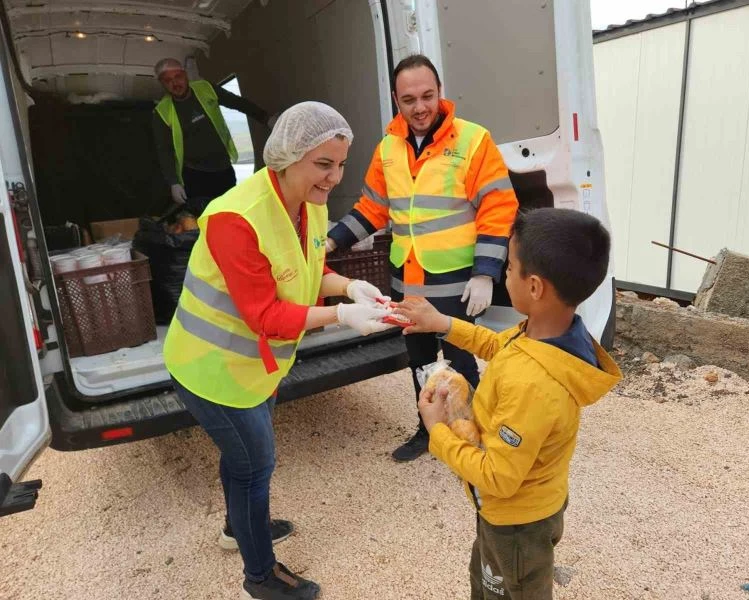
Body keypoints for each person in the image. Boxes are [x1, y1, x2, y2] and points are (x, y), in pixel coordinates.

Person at [162, 101, 393, 600]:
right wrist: (340, 316)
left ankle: (236, 528)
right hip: (211, 369)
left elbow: (307, 273)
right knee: (254, 465)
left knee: (241, 458)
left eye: (340, 164)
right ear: (286, 157)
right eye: (323, 164)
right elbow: (265, 316)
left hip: (254, 366)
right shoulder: (234, 218)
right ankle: (261, 577)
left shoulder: (308, 204)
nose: (333, 178)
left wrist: (349, 288)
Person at [395, 208, 622, 600]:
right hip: (515, 511)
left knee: (511, 587)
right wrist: (443, 324)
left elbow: (499, 477)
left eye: (509, 266)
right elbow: (498, 346)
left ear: (534, 287)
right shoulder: (550, 335)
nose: (502, 274)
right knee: (485, 583)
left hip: (516, 523)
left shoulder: (533, 384)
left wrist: (436, 430)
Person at [326, 54, 519, 462]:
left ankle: (477, 434)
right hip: (407, 279)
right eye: (409, 99)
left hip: (455, 278)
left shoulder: (473, 140)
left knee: (462, 357)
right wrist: (330, 242)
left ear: (440, 93)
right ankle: (429, 432)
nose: (420, 107)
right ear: (396, 100)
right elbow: (372, 208)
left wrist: (486, 274)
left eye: (428, 96)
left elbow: (498, 207)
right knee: (418, 359)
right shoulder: (388, 149)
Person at [152, 57, 271, 214]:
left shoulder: (206, 89)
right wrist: (174, 182)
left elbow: (237, 103)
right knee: (204, 218)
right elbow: (164, 150)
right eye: (168, 80)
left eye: (178, 77)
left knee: (231, 213)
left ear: (185, 75)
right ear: (162, 83)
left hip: (223, 168)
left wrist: (266, 119)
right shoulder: (162, 111)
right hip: (194, 175)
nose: (175, 83)